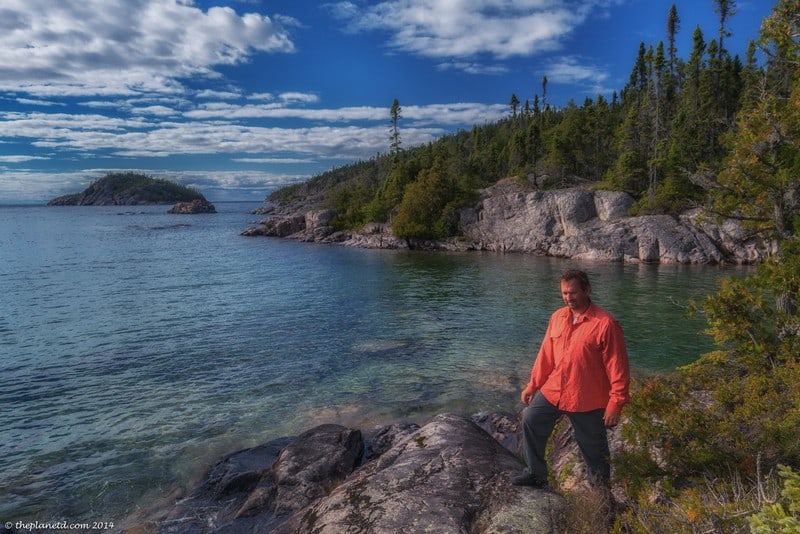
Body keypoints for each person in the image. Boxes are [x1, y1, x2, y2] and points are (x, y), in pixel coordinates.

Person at [513, 269, 630, 488]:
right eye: (565, 293)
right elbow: (545, 355)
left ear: (587, 290)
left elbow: (618, 366)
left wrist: (616, 402)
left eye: (573, 293)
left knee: (594, 450)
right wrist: (533, 385)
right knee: (530, 419)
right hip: (555, 389)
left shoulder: (605, 324)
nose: (569, 298)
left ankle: (601, 498)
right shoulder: (558, 317)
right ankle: (536, 474)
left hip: (587, 397)